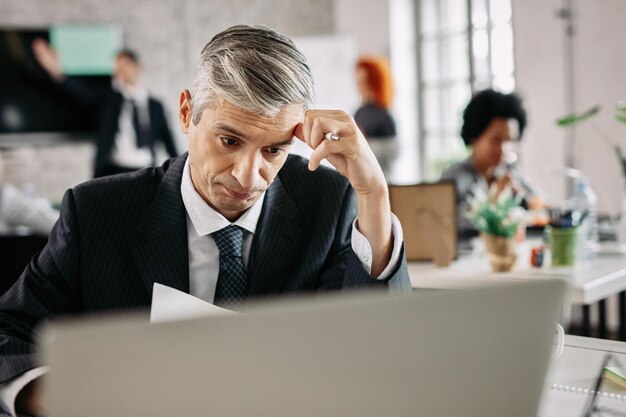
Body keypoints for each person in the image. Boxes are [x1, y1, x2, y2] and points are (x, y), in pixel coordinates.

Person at [0, 25, 411, 417]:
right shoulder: (96, 213)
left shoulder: (326, 201)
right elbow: (8, 332)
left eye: (273, 151)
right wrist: (54, 396)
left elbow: (377, 346)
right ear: (185, 113)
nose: (247, 176)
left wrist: (374, 193)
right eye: (229, 141)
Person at [32, 40, 179, 177]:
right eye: (117, 67)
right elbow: (81, 93)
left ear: (137, 66)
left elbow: (169, 141)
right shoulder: (108, 99)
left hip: (147, 170)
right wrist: (57, 73)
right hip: (114, 170)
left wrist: (180, 172)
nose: (120, 71)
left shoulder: (155, 106)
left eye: (125, 65)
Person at [440, 89, 542, 239]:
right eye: (496, 140)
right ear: (474, 136)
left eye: (509, 140)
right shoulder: (454, 178)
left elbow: (540, 204)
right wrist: (494, 200)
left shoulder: (510, 170)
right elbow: (444, 223)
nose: (504, 149)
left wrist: (524, 198)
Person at [354, 55, 398, 179]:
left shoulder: (383, 114)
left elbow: (394, 151)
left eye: (363, 81)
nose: (359, 86)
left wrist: (364, 144)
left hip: (382, 178)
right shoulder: (359, 112)